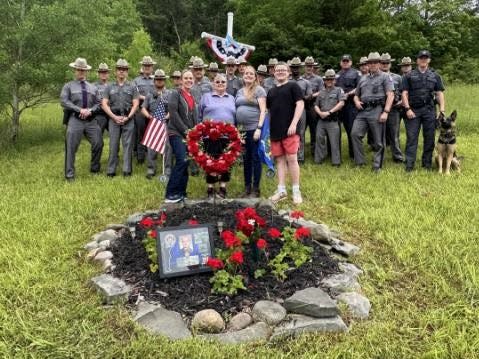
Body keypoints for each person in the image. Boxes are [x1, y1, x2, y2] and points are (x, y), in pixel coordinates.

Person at [266, 62, 305, 205]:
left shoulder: (293, 86)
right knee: (280, 160)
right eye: (278, 70)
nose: (280, 72)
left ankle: (296, 190)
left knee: (292, 159)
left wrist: (294, 123)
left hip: (290, 130)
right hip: (276, 130)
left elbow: (300, 104)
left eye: (283, 70)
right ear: (274, 73)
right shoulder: (271, 91)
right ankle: (281, 190)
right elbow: (269, 110)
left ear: (288, 72)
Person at [402, 50, 445, 171]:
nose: (423, 60)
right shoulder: (408, 76)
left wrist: (442, 109)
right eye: (421, 58)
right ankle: (409, 164)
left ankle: (426, 164)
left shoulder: (435, 76)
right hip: (413, 110)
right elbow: (404, 94)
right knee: (412, 138)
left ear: (429, 60)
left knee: (429, 138)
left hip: (429, 110)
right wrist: (407, 109)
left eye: (426, 58)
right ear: (417, 60)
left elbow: (439, 93)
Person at [351, 52, 394, 173]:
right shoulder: (363, 78)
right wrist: (356, 102)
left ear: (379, 63)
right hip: (363, 111)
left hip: (377, 109)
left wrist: (386, 111)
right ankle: (360, 162)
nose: (373, 64)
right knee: (355, 134)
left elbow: (390, 95)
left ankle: (377, 165)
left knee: (378, 140)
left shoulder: (385, 77)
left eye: (375, 62)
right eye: (371, 62)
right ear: (367, 64)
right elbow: (356, 95)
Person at [60, 58, 103, 181]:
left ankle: (95, 169)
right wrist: (79, 110)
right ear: (75, 70)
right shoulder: (68, 86)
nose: (81, 72)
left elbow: (99, 103)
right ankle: (69, 175)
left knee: (98, 143)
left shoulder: (93, 88)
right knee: (71, 146)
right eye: (79, 69)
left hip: (90, 120)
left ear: (87, 71)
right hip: (75, 119)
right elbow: (64, 101)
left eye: (83, 70)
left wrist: (90, 110)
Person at [199, 73, 236, 199]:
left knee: (226, 161)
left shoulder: (231, 98)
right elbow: (199, 115)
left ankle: (223, 187)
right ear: (213, 83)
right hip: (210, 136)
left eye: (223, 82)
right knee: (211, 161)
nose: (220, 84)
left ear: (227, 84)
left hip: (227, 136)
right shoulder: (206, 97)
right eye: (217, 82)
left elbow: (234, 116)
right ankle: (210, 188)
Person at [102, 59, 139, 177]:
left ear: (127, 72)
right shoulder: (109, 87)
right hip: (113, 119)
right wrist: (113, 117)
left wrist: (128, 117)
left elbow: (136, 104)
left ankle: (127, 170)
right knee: (113, 145)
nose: (122, 72)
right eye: (119, 69)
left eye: (124, 69)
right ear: (115, 71)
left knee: (128, 146)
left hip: (128, 119)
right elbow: (104, 104)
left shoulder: (132, 87)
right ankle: (111, 170)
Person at [165, 70, 198, 203]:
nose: (189, 80)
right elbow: (173, 113)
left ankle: (181, 192)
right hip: (176, 133)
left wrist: (195, 131)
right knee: (182, 160)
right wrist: (186, 131)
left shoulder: (192, 95)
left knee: (186, 162)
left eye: (191, 78)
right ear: (181, 80)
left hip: (189, 134)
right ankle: (170, 193)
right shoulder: (175, 93)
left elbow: (193, 116)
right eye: (186, 78)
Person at [235, 66, 267, 197]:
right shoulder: (239, 91)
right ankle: (247, 187)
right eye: (246, 73)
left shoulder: (259, 90)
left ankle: (256, 188)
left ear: (255, 77)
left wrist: (259, 128)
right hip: (242, 130)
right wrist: (237, 130)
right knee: (246, 158)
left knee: (255, 158)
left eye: (251, 74)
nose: (248, 75)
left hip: (254, 129)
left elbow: (263, 110)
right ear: (243, 75)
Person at [141, 69, 172, 179]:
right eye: (157, 79)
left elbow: (173, 109)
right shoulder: (149, 95)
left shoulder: (170, 94)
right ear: (154, 81)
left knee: (167, 147)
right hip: (153, 123)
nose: (159, 81)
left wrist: (167, 116)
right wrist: (149, 116)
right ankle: (151, 169)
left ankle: (167, 169)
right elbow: (143, 108)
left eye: (161, 79)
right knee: (151, 146)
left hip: (166, 123)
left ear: (165, 80)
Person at [314, 69, 346, 166]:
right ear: (324, 81)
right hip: (321, 120)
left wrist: (329, 112)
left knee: (334, 141)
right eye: (327, 80)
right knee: (319, 139)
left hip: (332, 119)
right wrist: (319, 113)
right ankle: (319, 160)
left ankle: (336, 162)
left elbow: (342, 103)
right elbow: (316, 104)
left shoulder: (338, 90)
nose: (329, 81)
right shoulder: (321, 92)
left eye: (331, 79)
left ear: (335, 80)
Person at [380, 53, 404, 163]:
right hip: (379, 108)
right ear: (380, 64)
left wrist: (401, 102)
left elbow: (404, 92)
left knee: (394, 134)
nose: (385, 65)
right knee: (380, 135)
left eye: (387, 63)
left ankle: (397, 156)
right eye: (383, 63)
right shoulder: (375, 77)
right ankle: (380, 156)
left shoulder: (398, 78)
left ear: (390, 64)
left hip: (394, 109)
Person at [132, 56, 156, 164]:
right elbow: (134, 94)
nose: (147, 67)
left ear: (152, 67)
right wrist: (145, 98)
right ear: (142, 67)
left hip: (153, 111)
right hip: (140, 111)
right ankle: (140, 156)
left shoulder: (156, 79)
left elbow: (159, 92)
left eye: (149, 66)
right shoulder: (136, 81)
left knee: (152, 133)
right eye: (145, 66)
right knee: (140, 132)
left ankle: (151, 156)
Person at [336, 54, 361, 159]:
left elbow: (359, 88)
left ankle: (353, 154)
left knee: (351, 131)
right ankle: (335, 154)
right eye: (343, 61)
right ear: (340, 62)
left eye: (347, 61)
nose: (345, 62)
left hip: (350, 106)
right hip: (337, 106)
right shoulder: (336, 75)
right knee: (335, 132)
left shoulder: (356, 73)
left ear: (351, 62)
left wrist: (348, 94)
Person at [289, 57, 312, 164]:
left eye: (297, 67)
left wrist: (300, 98)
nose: (295, 69)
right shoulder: (287, 81)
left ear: (300, 68)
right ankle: (289, 154)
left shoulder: (306, 82)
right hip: (288, 109)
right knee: (288, 132)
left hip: (301, 109)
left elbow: (310, 95)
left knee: (301, 133)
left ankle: (300, 156)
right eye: (293, 67)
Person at [303, 56, 325, 157]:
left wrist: (311, 95)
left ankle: (315, 152)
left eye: (310, 66)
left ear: (313, 67)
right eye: (307, 65)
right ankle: (300, 153)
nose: (309, 68)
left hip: (313, 106)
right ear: (304, 66)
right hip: (302, 107)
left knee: (314, 130)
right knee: (301, 130)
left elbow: (322, 91)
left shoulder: (319, 79)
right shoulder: (301, 78)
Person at [94, 63, 110, 134]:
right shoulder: (93, 86)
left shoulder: (113, 85)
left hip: (111, 114)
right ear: (98, 74)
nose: (103, 74)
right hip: (100, 114)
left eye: (105, 72)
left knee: (116, 135)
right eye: (101, 72)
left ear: (108, 74)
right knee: (98, 136)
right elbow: (98, 101)